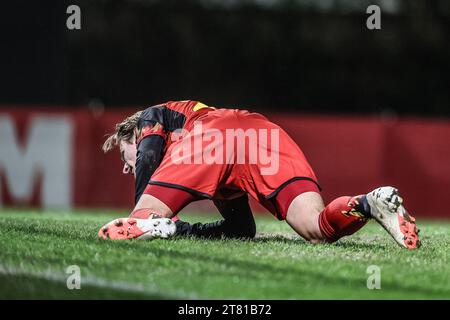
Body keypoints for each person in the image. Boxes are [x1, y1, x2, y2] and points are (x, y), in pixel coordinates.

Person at [99, 100, 420, 249]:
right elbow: (240, 229)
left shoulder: (150, 120)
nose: (127, 166)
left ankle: (154, 224)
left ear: (132, 134)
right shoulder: (213, 170)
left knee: (135, 222)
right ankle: (370, 203)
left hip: (212, 137)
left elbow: (149, 153)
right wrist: (182, 230)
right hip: (260, 132)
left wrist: (142, 213)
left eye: (124, 155)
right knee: (317, 228)